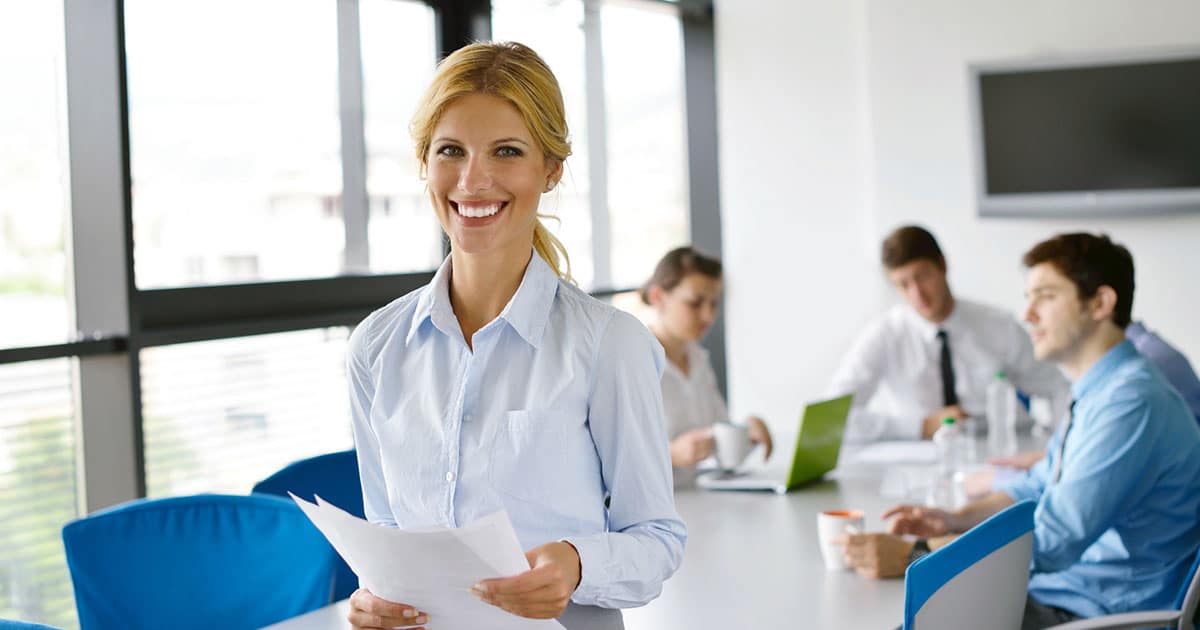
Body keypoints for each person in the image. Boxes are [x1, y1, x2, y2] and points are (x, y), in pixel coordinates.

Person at [345, 42, 685, 630]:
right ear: (424, 162)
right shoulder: (376, 348)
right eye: (450, 150)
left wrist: (578, 564)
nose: (473, 181)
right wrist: (373, 601)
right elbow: (386, 541)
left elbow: (657, 541)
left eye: (506, 151)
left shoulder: (609, 345)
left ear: (550, 170)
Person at [838, 233, 1200, 629]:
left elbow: (1052, 540)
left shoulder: (1130, 403)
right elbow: (1037, 486)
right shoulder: (1102, 390)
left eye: (1044, 296)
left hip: (1096, 610)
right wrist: (954, 519)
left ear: (1100, 303)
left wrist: (917, 554)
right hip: (1066, 592)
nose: (1027, 314)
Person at [829, 225, 1069, 443]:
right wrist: (921, 426)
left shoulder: (998, 325)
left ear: (942, 265)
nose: (917, 294)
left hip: (1004, 452)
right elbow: (831, 418)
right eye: (903, 285)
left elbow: (1059, 388)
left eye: (922, 276)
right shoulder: (883, 336)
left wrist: (1060, 449)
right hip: (923, 461)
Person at [990, 319, 1200, 472]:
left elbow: (1074, 514)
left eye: (1050, 297)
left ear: (1099, 302)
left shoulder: (1137, 373)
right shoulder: (1126, 359)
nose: (1031, 315)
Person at [641, 246, 773, 470]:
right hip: (662, 501)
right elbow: (611, 461)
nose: (708, 316)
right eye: (695, 303)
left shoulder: (698, 359)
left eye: (714, 304)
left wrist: (746, 430)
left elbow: (717, 431)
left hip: (704, 495)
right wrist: (671, 455)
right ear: (658, 297)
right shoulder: (634, 363)